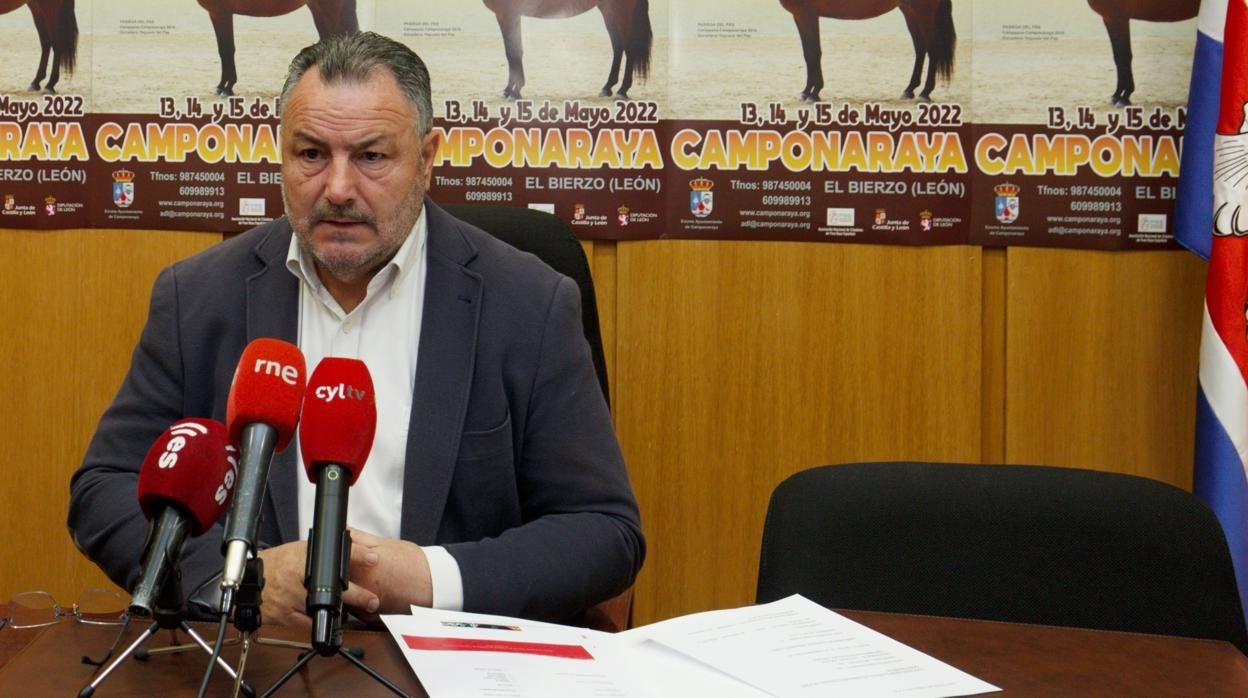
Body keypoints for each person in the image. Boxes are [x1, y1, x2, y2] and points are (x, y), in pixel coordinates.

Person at [68, 31, 644, 627]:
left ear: (425, 159)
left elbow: (604, 532)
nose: (338, 189)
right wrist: (238, 580)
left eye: (371, 157)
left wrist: (426, 577)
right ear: (281, 153)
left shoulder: (528, 303)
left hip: (447, 662)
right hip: (257, 658)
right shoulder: (198, 297)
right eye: (312, 154)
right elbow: (104, 490)